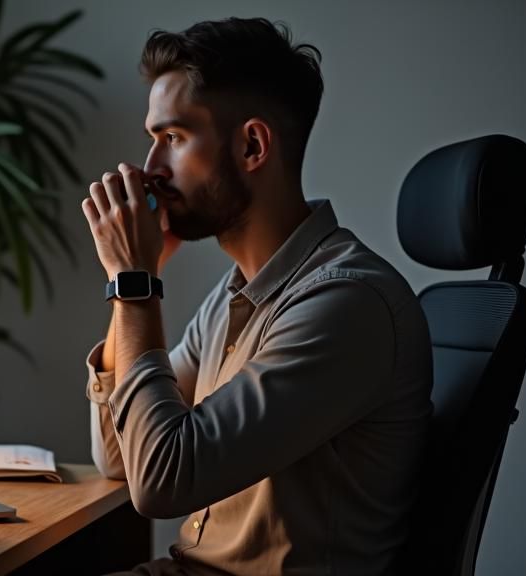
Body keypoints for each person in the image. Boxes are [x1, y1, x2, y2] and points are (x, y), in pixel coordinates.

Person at [81, 17, 432, 576]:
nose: (149, 169)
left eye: (171, 138)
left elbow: (161, 483)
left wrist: (135, 282)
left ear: (251, 145)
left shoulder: (346, 304)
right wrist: (132, 290)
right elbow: (120, 458)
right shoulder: (235, 294)